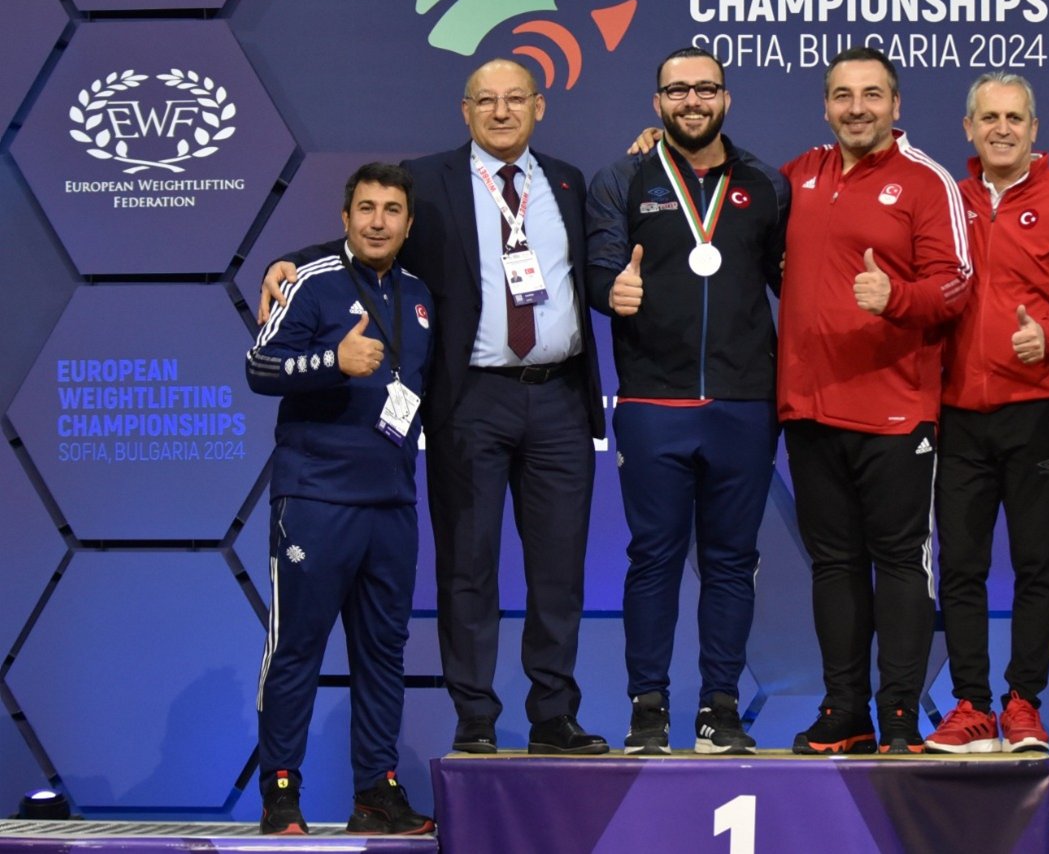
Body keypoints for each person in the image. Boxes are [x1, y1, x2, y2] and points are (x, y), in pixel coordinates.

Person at [259, 59, 608, 756]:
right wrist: (294, 260)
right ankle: (475, 717)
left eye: (515, 100)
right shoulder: (433, 180)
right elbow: (371, 235)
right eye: (487, 101)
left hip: (561, 398)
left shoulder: (568, 182)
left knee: (560, 568)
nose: (502, 112)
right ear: (465, 110)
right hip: (471, 398)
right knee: (467, 566)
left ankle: (553, 715)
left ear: (540, 108)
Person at [587, 47, 787, 754]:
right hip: (651, 402)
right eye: (678, 90)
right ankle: (648, 709)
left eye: (706, 89)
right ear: (657, 101)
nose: (692, 101)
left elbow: (792, 280)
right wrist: (613, 290)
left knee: (732, 561)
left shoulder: (765, 183)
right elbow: (600, 267)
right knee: (654, 559)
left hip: (743, 403)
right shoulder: (622, 178)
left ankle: (720, 710)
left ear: (726, 99)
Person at [782, 47, 972, 755]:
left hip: (896, 410)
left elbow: (956, 284)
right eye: (841, 95)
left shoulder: (927, 182)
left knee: (898, 562)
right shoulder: (802, 175)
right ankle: (845, 710)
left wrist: (897, 298)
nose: (855, 107)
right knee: (832, 566)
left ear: (897, 105)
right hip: (808, 407)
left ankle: (897, 713)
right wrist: (659, 153)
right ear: (826, 106)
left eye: (871, 95)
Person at [246, 163, 435, 836]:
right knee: (296, 647)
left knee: (383, 654)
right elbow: (258, 367)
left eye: (391, 209)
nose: (378, 220)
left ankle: (376, 793)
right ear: (345, 217)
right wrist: (331, 362)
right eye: (366, 208)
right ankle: (282, 796)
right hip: (316, 497)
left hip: (391, 503)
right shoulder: (310, 282)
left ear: (409, 224)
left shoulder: (419, 294)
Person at [926, 72, 1049, 755]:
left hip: (1036, 411)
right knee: (961, 567)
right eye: (989, 117)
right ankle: (970, 703)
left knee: (1037, 566)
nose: (1002, 128)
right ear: (969, 128)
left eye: (1016, 118)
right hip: (957, 413)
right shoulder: (948, 200)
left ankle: (1024, 702)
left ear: (1035, 130)